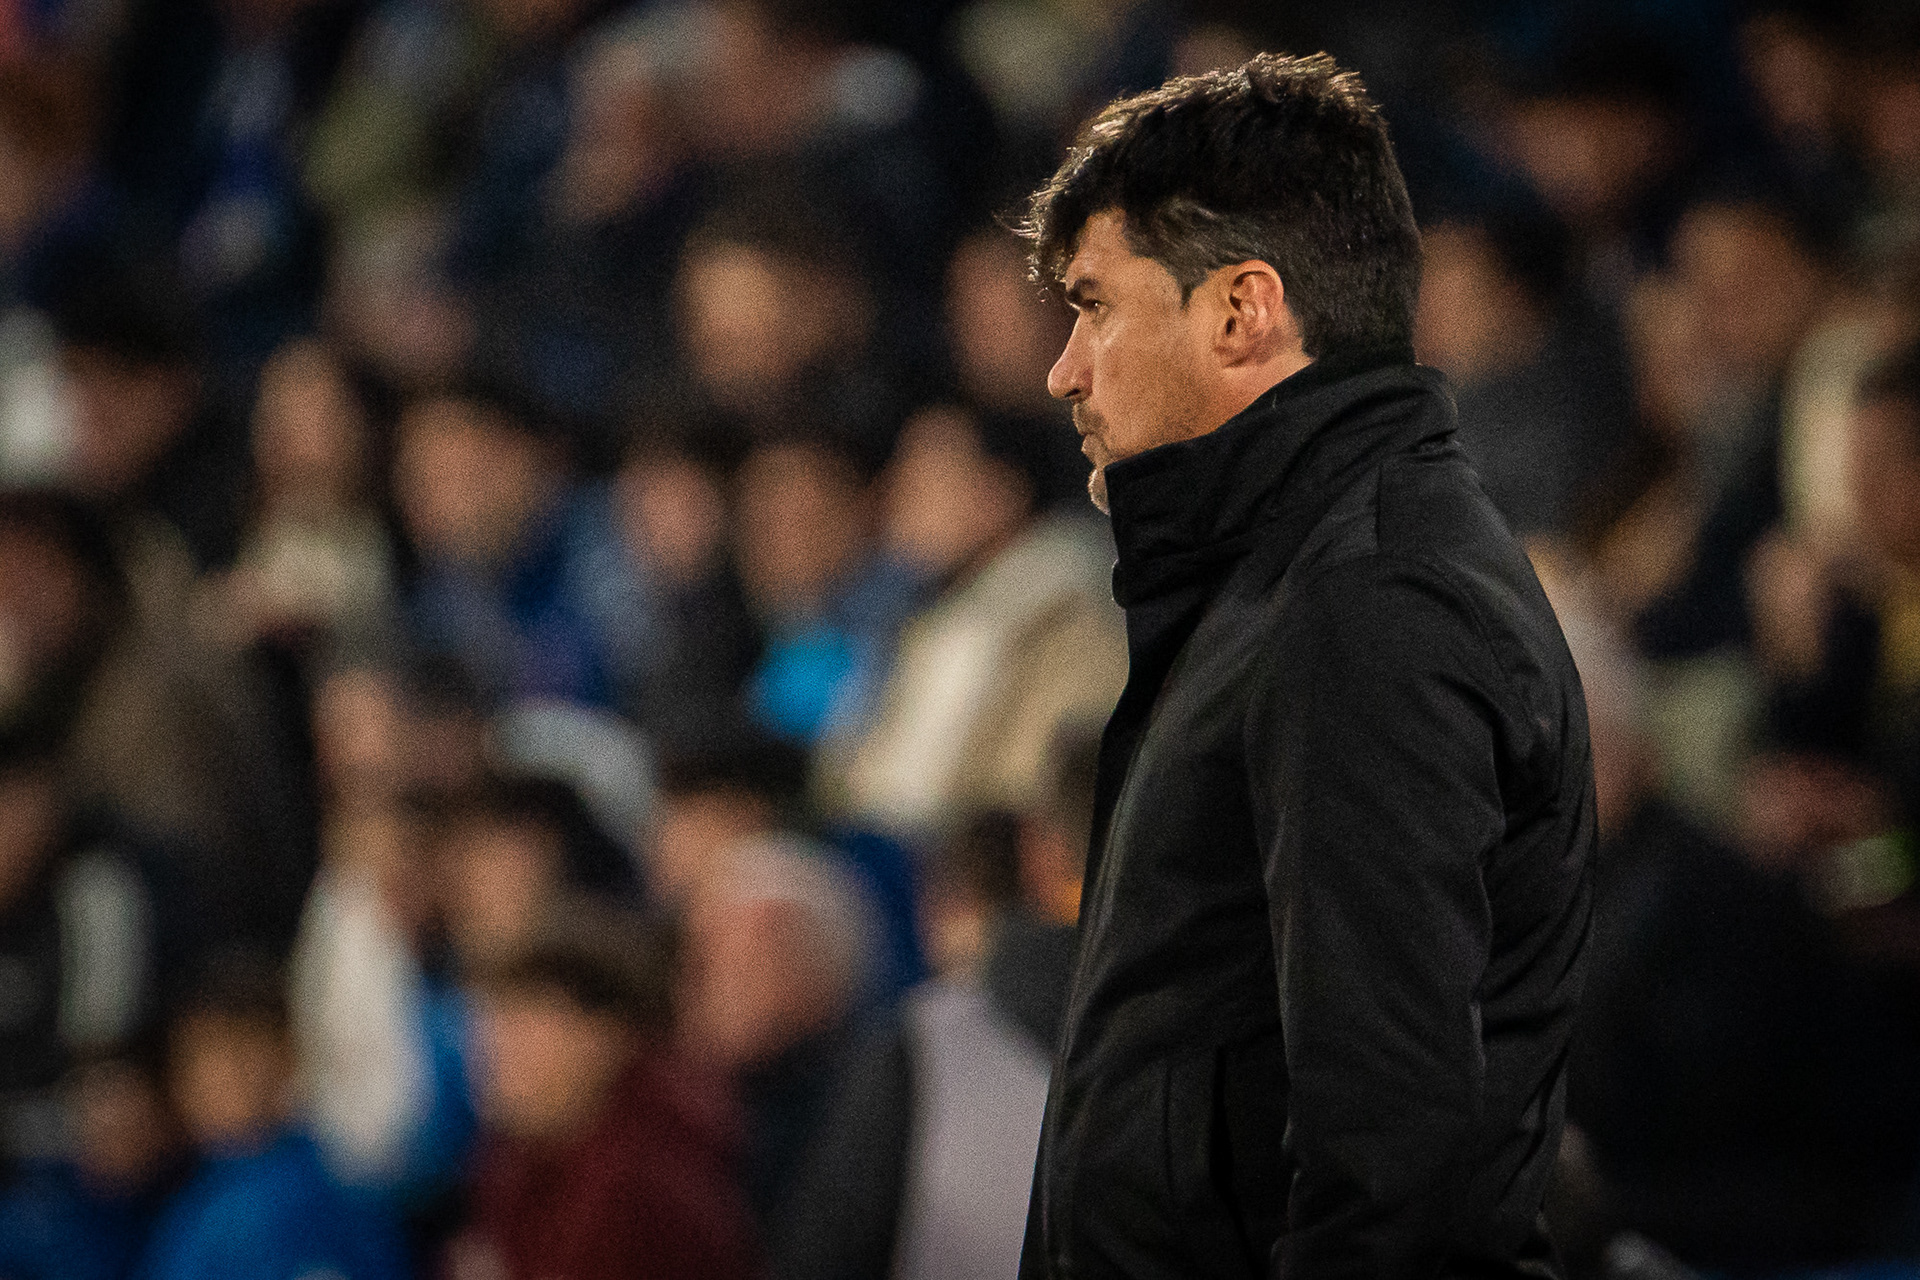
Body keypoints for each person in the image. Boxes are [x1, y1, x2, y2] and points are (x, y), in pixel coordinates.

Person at [1017, 54, 1595, 1278]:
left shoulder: (1368, 601)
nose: (1064, 369)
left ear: (1243, 310)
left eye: (1096, 306)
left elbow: (1393, 1156)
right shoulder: (1289, 579)